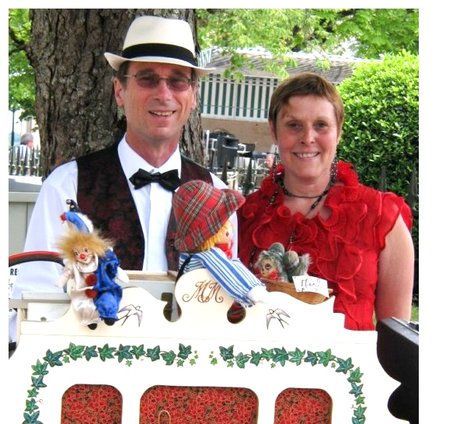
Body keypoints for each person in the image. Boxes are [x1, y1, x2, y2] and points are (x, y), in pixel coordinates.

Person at [11, 16, 231, 343]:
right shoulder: (67, 185)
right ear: (119, 90)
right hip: (87, 375)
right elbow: (36, 299)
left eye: (178, 81)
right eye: (147, 79)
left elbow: (226, 309)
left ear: (193, 96)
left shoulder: (218, 194)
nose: (163, 93)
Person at [238, 72, 414, 331]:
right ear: (273, 131)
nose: (308, 138)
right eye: (294, 125)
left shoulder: (383, 218)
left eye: (321, 125)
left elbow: (395, 340)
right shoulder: (244, 216)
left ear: (338, 132)